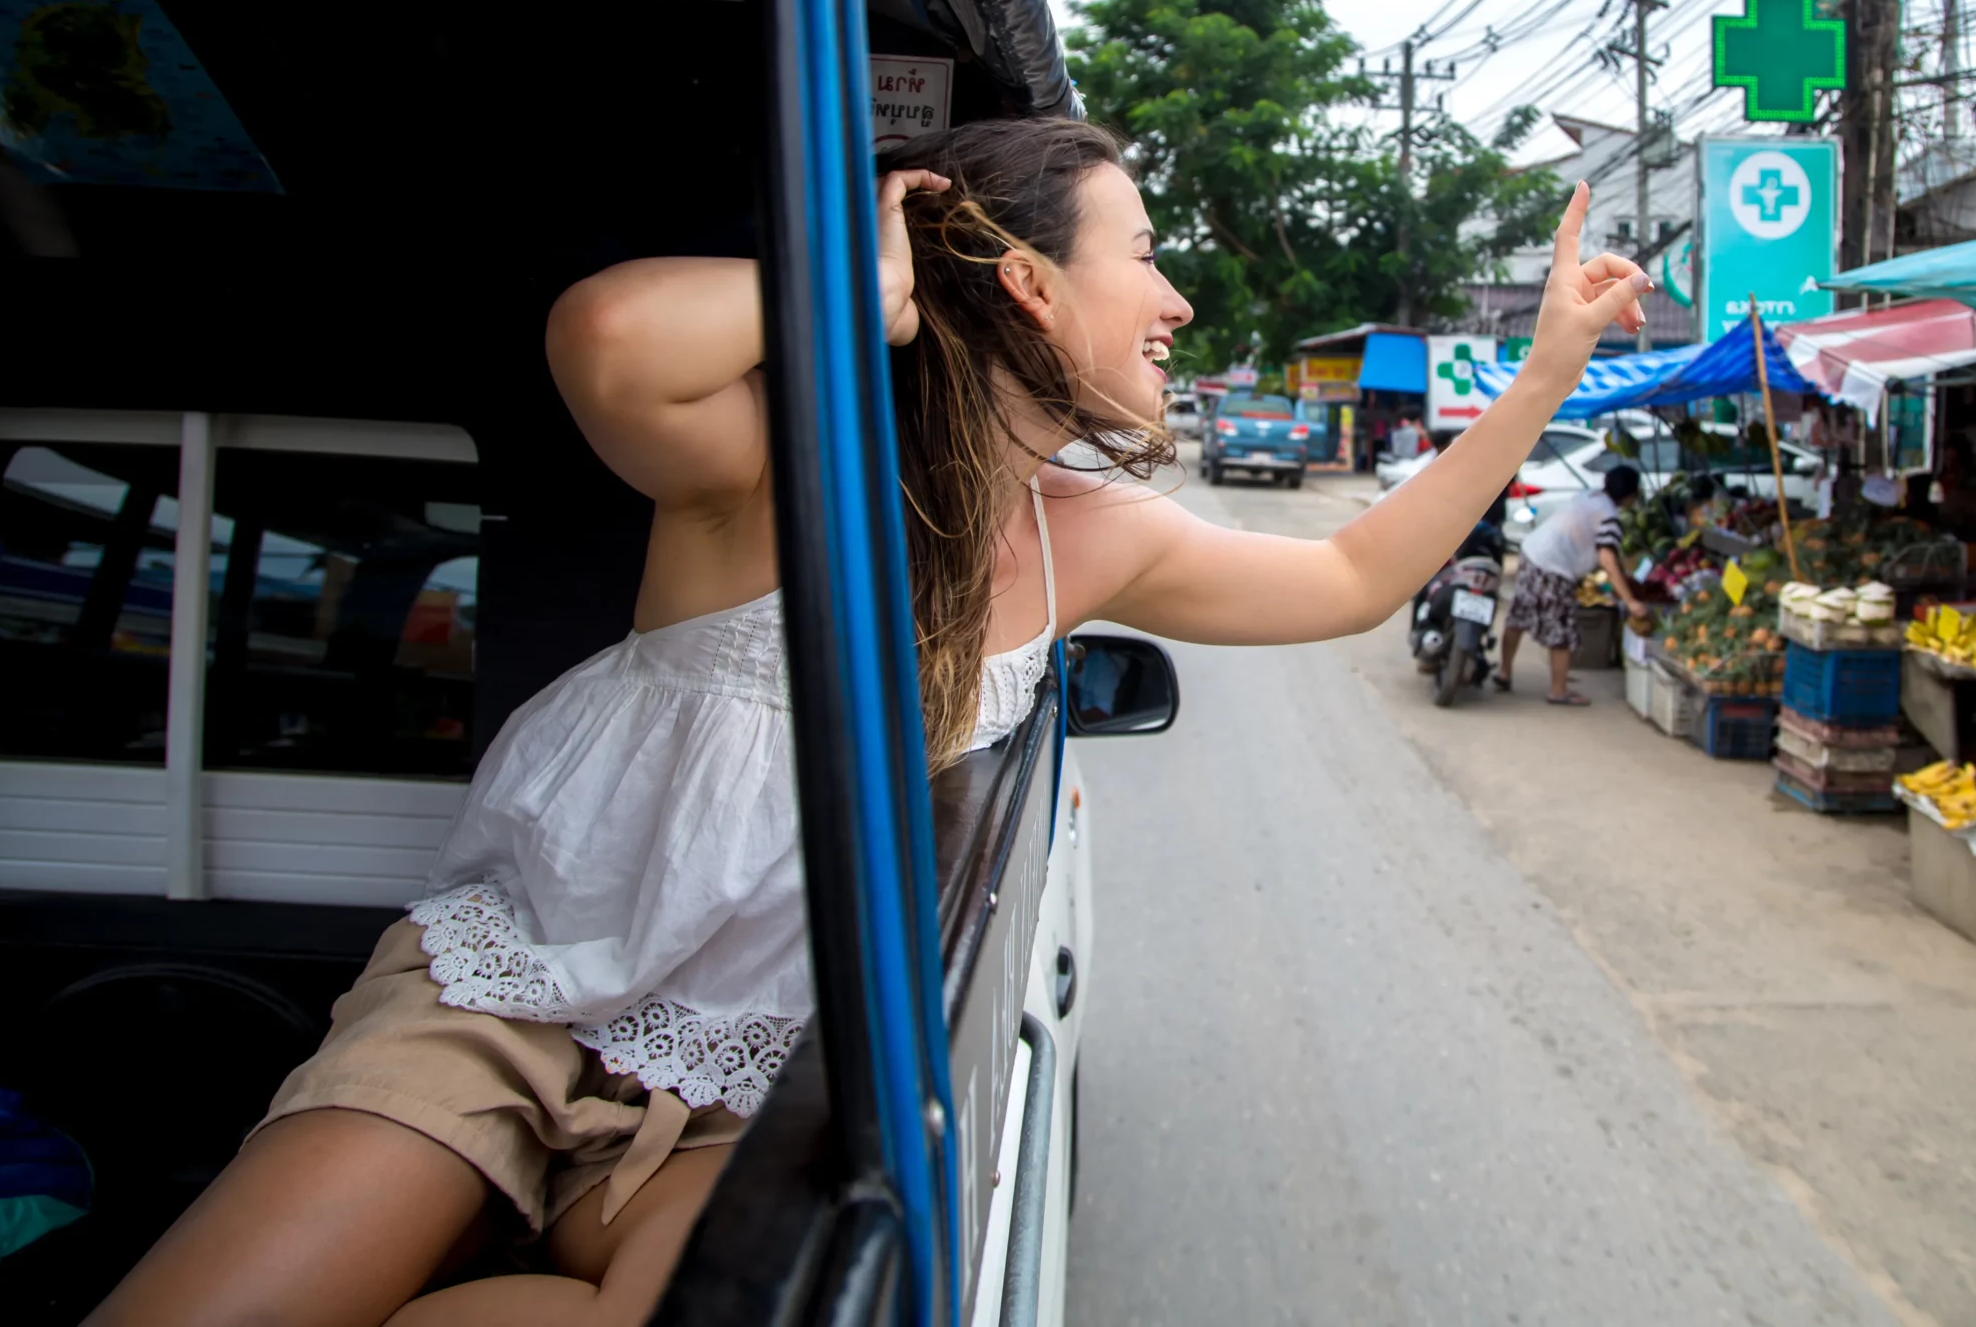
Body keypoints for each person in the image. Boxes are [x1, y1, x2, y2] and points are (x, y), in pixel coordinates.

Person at [89, 117, 1649, 1327]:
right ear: (1029, 280)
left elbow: (1357, 574)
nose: (1178, 297)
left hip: (753, 1081)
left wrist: (1545, 371)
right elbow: (608, 336)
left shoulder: (1095, 538)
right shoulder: (785, 465)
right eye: (1146, 252)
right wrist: (854, 291)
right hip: (505, 1003)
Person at [1496, 465, 1649, 706]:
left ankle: (1504, 673)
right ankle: (1558, 691)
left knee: (1519, 614)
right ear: (1631, 495)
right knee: (1562, 628)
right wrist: (1630, 601)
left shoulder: (1589, 496)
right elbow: (1607, 559)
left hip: (1533, 551)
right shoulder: (1609, 517)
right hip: (1554, 566)